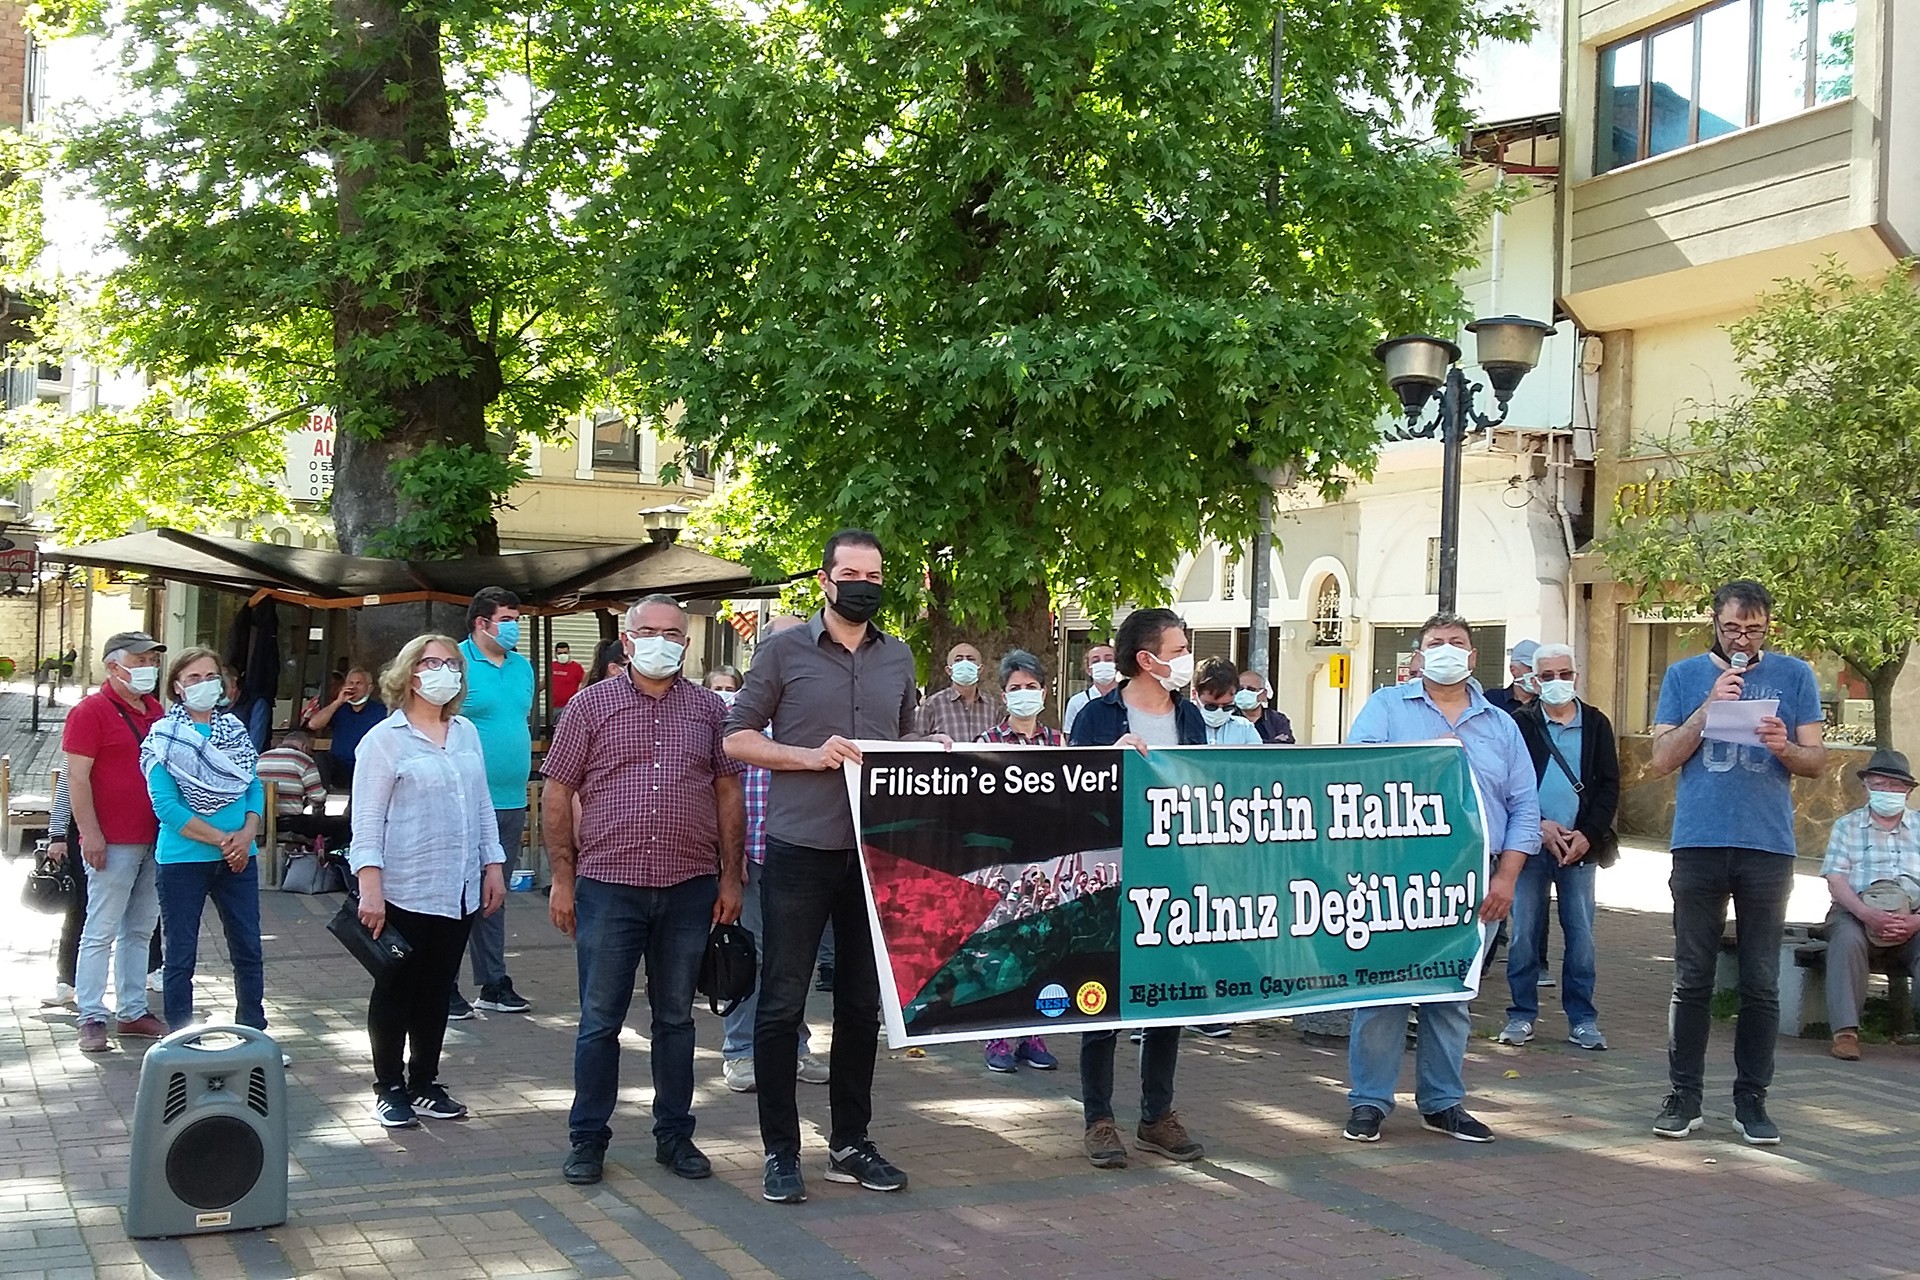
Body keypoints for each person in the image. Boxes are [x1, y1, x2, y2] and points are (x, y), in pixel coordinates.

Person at [723, 528, 935, 1205]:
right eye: (850, 572)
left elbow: (906, 739)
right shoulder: (782, 650)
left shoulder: (898, 656)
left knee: (860, 1003)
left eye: (873, 573)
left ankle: (850, 1143)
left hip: (876, 852)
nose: (863, 584)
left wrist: (922, 748)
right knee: (782, 1002)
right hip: (799, 848)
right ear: (824, 581)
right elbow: (738, 736)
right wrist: (808, 756)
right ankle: (780, 1150)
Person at [544, 596, 747, 1185]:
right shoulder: (589, 706)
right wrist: (562, 877)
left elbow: (728, 794)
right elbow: (557, 793)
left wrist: (730, 876)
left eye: (673, 633)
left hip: (688, 887)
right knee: (599, 1020)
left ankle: (675, 1135)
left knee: (677, 1020)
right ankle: (587, 1139)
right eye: (648, 631)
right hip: (609, 888)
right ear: (627, 640)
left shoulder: (711, 709)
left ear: (688, 643)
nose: (662, 641)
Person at [1341, 612, 1538, 1146]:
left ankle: (1443, 1103)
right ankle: (1369, 1102)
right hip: (1396, 877)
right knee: (1382, 993)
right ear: (1418, 657)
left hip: (1477, 883)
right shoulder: (1386, 708)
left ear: (1474, 658)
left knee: (1451, 996)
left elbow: (1524, 808)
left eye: (1457, 643)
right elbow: (1353, 778)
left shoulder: (1502, 725)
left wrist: (1506, 878)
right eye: (1435, 643)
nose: (1447, 650)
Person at [1646, 579, 1824, 1145]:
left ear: (1768, 624)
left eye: (1752, 628)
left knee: (1761, 982)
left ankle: (1752, 1100)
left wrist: (1783, 746)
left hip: (1766, 847)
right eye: (1731, 628)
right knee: (1691, 977)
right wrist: (1708, 707)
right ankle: (1684, 1096)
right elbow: (1660, 757)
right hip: (1698, 842)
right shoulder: (1683, 676)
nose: (1742, 637)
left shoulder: (1795, 675)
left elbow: (1816, 760)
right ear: (1715, 626)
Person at [1067, 607, 1206, 1168]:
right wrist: (1108, 764)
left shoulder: (1191, 716)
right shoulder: (1097, 717)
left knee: (1166, 998)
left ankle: (1157, 1115)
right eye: (1177, 649)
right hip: (1110, 871)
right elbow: (1067, 792)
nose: (1185, 657)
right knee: (1100, 996)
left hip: (1173, 870)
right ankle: (1099, 1119)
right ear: (1146, 659)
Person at [350, 635, 507, 1128]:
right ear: (409, 672)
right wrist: (370, 887)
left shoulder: (465, 733)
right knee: (396, 986)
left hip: (457, 885)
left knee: (438, 988)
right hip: (403, 886)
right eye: (431, 662)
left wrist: (494, 864)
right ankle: (388, 1085)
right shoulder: (383, 740)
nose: (444, 671)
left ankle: (424, 1081)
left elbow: (482, 806)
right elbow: (368, 821)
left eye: (452, 664)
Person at [719, 617, 830, 1095]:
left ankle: (795, 1044)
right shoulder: (740, 717)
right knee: (752, 955)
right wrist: (731, 854)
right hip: (754, 856)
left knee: (794, 961)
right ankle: (741, 1051)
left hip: (805, 853)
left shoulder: (814, 711)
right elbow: (721, 792)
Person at [1500, 644, 1619, 1052]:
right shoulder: (1519, 723)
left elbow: (1608, 786)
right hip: (1529, 846)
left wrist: (1587, 833)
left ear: (1576, 676)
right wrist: (1539, 826)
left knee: (1581, 935)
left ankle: (1582, 1019)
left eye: (1563, 674)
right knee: (1524, 933)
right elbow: (1509, 786)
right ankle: (1521, 1014)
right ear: (1533, 680)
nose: (1556, 683)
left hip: (1578, 848)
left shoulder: (1597, 724)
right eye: (1546, 676)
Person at [142, 647, 267, 1033]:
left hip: (239, 859)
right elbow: (166, 806)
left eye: (210, 676)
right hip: (183, 860)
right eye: (193, 678)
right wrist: (223, 840)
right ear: (177, 687)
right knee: (180, 955)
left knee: (248, 949)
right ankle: (181, 1038)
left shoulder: (235, 731)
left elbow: (253, 786)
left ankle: (253, 1031)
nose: (203, 685)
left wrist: (246, 835)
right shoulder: (164, 738)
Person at [66, 631, 170, 1052]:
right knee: (101, 929)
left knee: (140, 929)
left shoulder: (155, 711)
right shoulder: (90, 712)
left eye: (151, 661)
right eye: (140, 660)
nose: (148, 669)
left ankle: (132, 1010)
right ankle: (91, 1014)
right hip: (113, 839)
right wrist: (89, 832)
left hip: (155, 837)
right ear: (113, 666)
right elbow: (76, 777)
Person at [976, 649, 1064, 1074]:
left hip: (1047, 866)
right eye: (1016, 689)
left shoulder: (1061, 744)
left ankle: (1033, 1034)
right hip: (1000, 866)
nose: (1024, 694)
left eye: (1031, 688)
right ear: (1004, 694)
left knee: (1039, 948)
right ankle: (997, 1037)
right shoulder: (985, 745)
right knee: (1001, 947)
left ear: (1044, 692)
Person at [453, 585, 537, 1018]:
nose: (514, 627)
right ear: (481, 623)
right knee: (455, 892)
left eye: (517, 619)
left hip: (509, 798)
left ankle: (493, 981)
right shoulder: (456, 663)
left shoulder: (523, 667)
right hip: (462, 799)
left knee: (494, 891)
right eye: (506, 619)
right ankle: (443, 981)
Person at [1818, 749, 1920, 1062]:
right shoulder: (1846, 826)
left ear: (1907, 791)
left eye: (1895, 786)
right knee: (1847, 940)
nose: (1887, 791)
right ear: (1866, 788)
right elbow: (1836, 879)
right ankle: (1846, 1033)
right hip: (1856, 913)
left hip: (1913, 916)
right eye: (1879, 784)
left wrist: (1918, 921)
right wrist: (1866, 914)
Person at [256, 728, 352, 846]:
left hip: (259, 823)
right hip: (291, 824)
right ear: (304, 747)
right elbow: (318, 798)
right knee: (344, 825)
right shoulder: (303, 759)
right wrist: (308, 802)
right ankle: (329, 857)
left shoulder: (260, 758)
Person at [306, 667, 385, 792]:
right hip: (341, 769)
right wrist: (338, 702)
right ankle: (319, 804)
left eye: (359, 683)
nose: (354, 687)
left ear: (369, 688)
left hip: (367, 769)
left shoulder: (381, 712)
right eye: (351, 683)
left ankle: (351, 809)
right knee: (321, 758)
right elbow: (313, 724)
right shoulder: (339, 709)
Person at [914, 641, 1002, 742]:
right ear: (949, 670)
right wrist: (933, 739)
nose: (965, 663)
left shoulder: (992, 706)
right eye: (958, 660)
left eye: (970, 659)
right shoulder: (932, 705)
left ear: (980, 669)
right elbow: (914, 741)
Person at [1194, 658, 1262, 745]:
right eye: (1211, 707)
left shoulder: (1244, 728)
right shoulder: (1180, 726)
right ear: (1194, 694)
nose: (1219, 711)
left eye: (1227, 707)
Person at [1062, 643, 1118, 739]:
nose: (1102, 664)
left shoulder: (1130, 698)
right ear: (1088, 670)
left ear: (1117, 665)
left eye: (1108, 660)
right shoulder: (1077, 702)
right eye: (1096, 661)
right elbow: (1070, 739)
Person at [1234, 670, 1295, 744]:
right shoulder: (1230, 718)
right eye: (1240, 689)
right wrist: (1271, 742)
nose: (1244, 692)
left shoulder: (1277, 719)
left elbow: (1285, 745)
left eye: (1251, 689)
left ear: (1263, 693)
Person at [1484, 639, 1539, 714]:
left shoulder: (1547, 703)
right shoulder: (1492, 699)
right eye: (1531, 669)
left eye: (1540, 670)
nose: (1537, 674)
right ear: (1513, 670)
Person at [549, 642, 587, 713]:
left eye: (565, 653)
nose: (563, 655)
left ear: (569, 653)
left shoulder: (576, 667)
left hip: (570, 707)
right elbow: (545, 682)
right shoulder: (551, 666)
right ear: (555, 654)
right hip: (554, 707)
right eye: (560, 653)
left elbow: (585, 684)